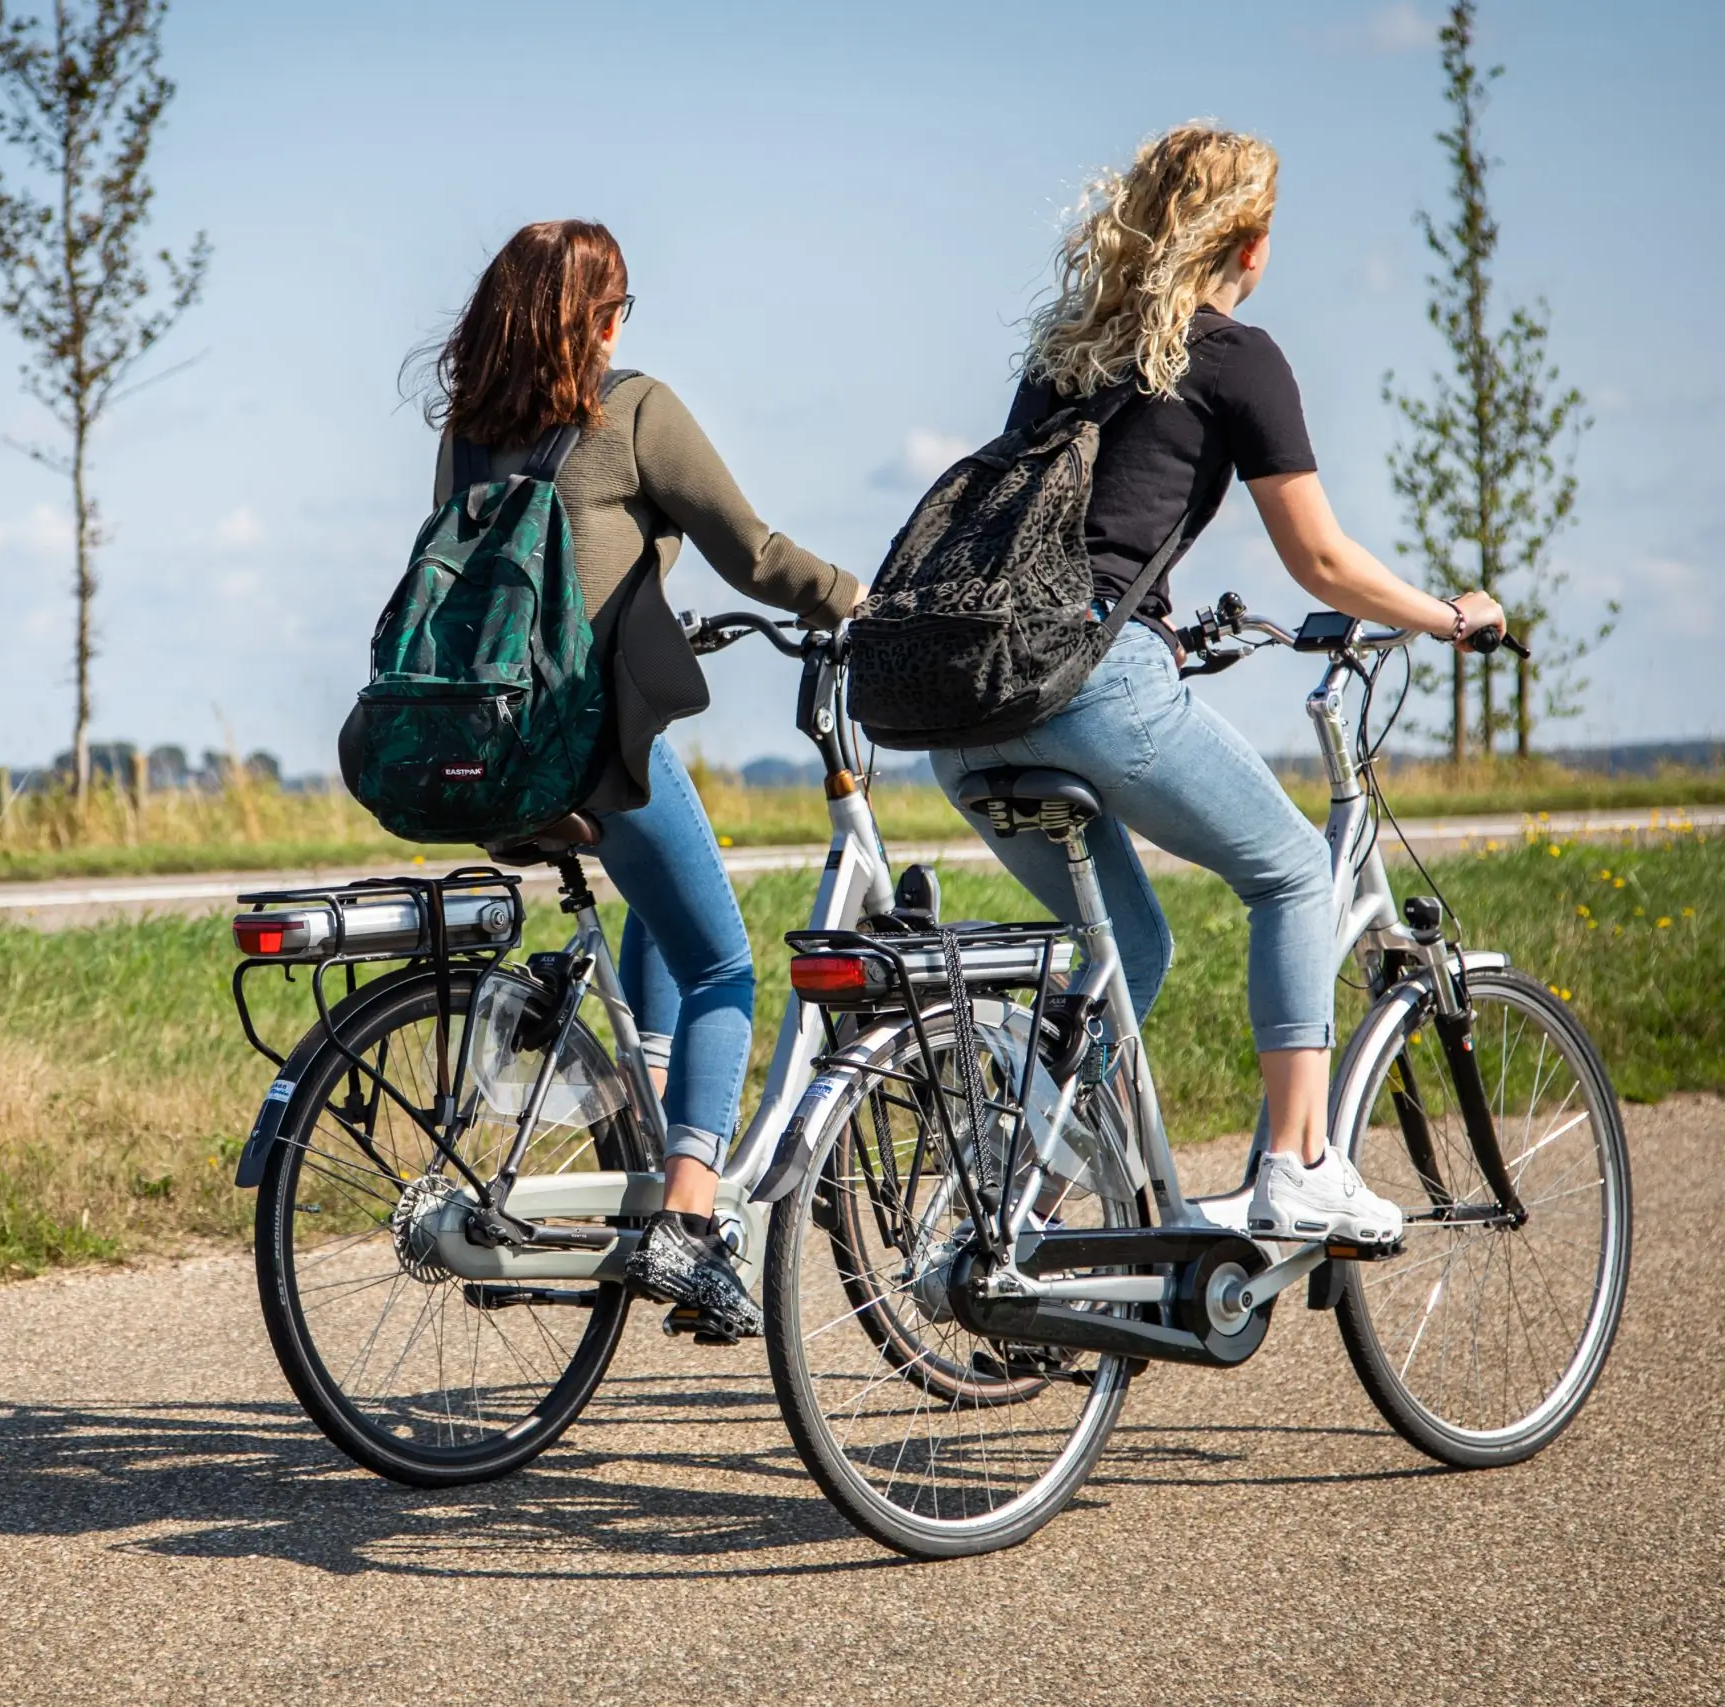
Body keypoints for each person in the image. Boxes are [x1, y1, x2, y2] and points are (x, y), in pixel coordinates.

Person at [932, 123, 1505, 1245]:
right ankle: (1297, 1167)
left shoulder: (1061, 357)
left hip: (969, 708)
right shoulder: (1234, 355)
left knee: (1127, 951)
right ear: (1246, 240)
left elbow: (1045, 540)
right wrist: (1447, 617)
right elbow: (1322, 563)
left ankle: (1016, 1218)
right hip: (1093, 684)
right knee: (1294, 875)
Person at [424, 219, 861, 1334]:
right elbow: (754, 555)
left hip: (486, 752)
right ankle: (690, 1220)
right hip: (594, 743)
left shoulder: (472, 434)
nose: (623, 329)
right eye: (615, 311)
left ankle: (646, 1116)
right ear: (596, 320)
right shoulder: (634, 409)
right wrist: (857, 600)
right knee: (724, 966)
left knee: (663, 906)